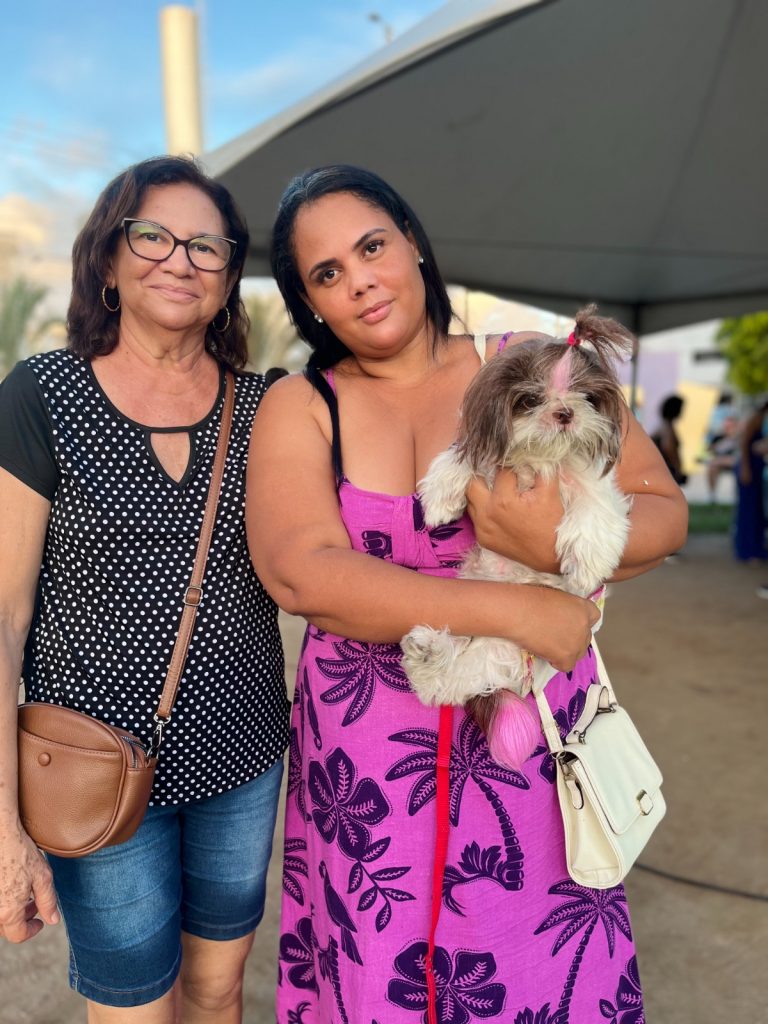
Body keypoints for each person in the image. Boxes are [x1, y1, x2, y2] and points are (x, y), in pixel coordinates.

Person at [247, 165, 688, 1023]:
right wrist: (520, 609)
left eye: (372, 246)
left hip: (532, 753)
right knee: (377, 981)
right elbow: (303, 573)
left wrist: (553, 546)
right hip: (368, 776)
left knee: (535, 973)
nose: (360, 280)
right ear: (309, 303)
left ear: (413, 242)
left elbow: (663, 511)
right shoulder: (301, 404)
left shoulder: (527, 363)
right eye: (327, 273)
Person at [0, 156, 289, 1022]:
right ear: (109, 257)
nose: (179, 260)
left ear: (228, 277)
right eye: (153, 235)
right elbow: (4, 615)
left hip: (240, 754)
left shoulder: (268, 407)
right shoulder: (43, 395)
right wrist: (3, 820)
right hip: (89, 765)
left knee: (218, 986)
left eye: (206, 246)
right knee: (134, 1007)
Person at [733, 399, 768, 562]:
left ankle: (755, 547)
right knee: (748, 510)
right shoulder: (757, 417)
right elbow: (744, 442)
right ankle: (747, 550)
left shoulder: (762, 417)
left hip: (757, 467)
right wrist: (745, 468)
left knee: (756, 509)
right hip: (749, 467)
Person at [651, 393, 688, 486]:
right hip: (664, 472)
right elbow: (668, 447)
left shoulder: (663, 426)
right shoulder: (667, 428)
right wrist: (677, 469)